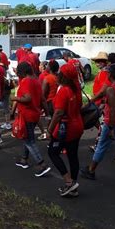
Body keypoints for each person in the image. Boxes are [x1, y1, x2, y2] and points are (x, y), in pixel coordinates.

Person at [80, 63, 115, 188]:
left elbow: (112, 110)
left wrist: (110, 128)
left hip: (113, 123)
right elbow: (103, 96)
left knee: (101, 146)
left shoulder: (112, 89)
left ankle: (91, 170)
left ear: (110, 74)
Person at [47, 63, 84, 197]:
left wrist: (49, 130)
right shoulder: (76, 88)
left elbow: (58, 113)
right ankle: (73, 186)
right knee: (72, 155)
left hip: (66, 127)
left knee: (52, 152)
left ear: (64, 76)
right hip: (78, 124)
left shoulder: (64, 90)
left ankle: (69, 182)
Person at [12, 61, 51, 177]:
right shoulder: (36, 82)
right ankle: (24, 159)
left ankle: (42, 164)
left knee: (29, 140)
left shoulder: (25, 82)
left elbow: (27, 98)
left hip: (27, 115)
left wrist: (15, 98)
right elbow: (43, 99)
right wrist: (47, 113)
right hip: (35, 114)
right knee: (27, 136)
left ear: (22, 72)